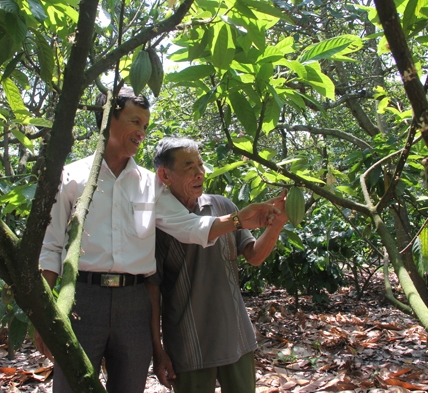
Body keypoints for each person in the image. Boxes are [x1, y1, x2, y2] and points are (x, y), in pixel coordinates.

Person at [36, 87, 281, 393]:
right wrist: (43, 313)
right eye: (134, 121)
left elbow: (189, 227)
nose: (141, 132)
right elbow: (51, 247)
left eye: (145, 126)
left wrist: (237, 220)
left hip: (133, 303)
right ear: (107, 120)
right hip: (82, 298)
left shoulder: (150, 186)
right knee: (71, 386)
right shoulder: (71, 178)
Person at [147, 137, 288, 393]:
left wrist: (277, 223)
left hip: (236, 336)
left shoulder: (222, 206)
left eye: (200, 164)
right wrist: (158, 350)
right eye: (189, 167)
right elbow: (152, 289)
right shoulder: (156, 223)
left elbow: (254, 256)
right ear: (164, 175)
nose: (199, 173)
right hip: (189, 346)